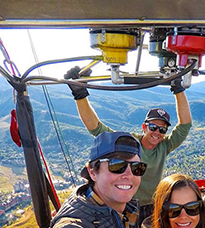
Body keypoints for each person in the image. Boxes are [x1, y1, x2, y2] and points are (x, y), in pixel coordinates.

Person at [66, 66, 192, 215]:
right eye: (153, 127)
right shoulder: (130, 144)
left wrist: (178, 90)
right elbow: (97, 129)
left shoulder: (164, 146)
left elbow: (185, 125)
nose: (157, 132)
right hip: (127, 204)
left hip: (153, 206)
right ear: (144, 127)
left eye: (162, 129)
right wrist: (80, 95)